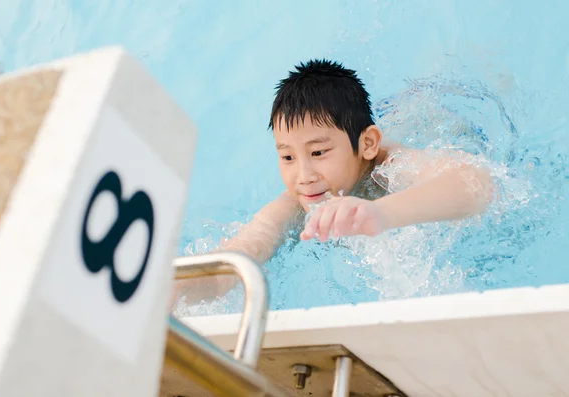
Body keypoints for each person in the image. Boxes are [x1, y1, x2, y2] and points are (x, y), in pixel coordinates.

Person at [173, 59, 494, 305]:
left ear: (368, 145)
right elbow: (238, 257)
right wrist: (170, 290)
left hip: (445, 118)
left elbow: (475, 182)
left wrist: (378, 213)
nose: (303, 175)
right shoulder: (293, 203)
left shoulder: (389, 164)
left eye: (318, 152)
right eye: (287, 157)